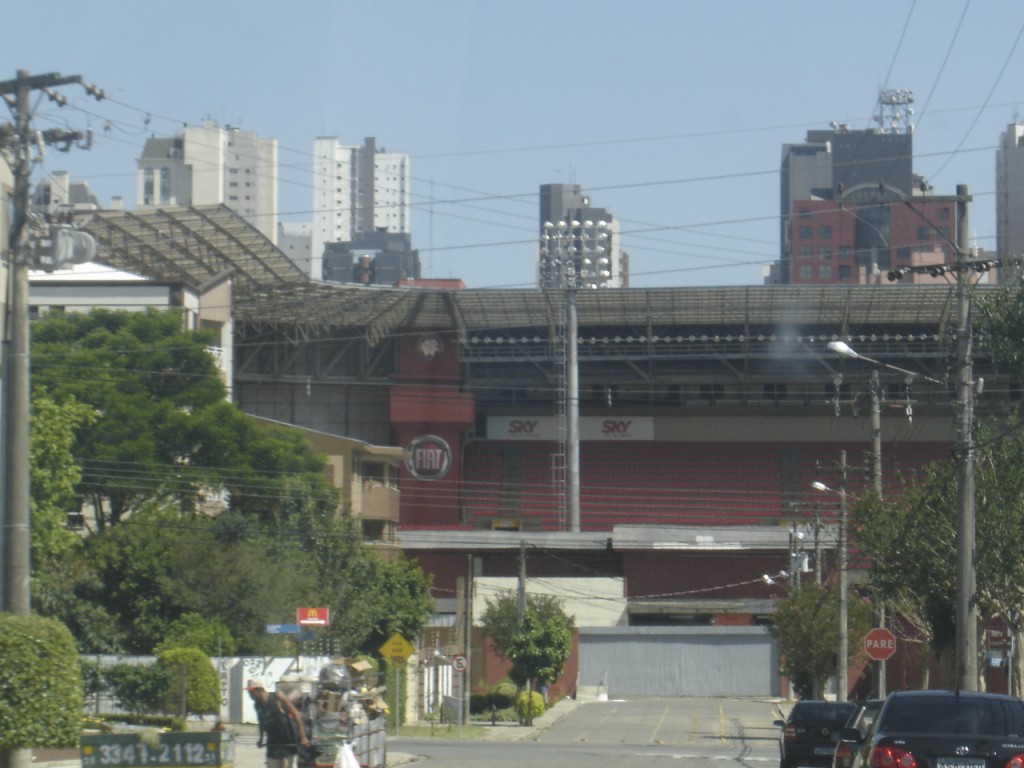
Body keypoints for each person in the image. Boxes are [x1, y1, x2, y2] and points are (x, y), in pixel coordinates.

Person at [247, 677, 309, 768]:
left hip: (287, 741)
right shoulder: (257, 705)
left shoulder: (277, 697)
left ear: (258, 689)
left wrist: (303, 737)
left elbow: (296, 714)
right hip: (272, 743)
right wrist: (261, 739)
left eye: (251, 692)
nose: (249, 695)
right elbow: (261, 722)